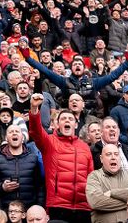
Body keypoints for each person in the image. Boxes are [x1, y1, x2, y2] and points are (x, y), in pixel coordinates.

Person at [28, 93, 94, 223]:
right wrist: (34, 109)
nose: (67, 121)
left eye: (70, 119)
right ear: (57, 124)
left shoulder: (85, 147)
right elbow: (36, 131)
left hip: (83, 207)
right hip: (58, 206)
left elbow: (91, 177)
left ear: (76, 125)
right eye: (63, 119)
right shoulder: (49, 142)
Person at [0, 121, 44, 209]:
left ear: (22, 137)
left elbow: (40, 186)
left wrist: (39, 207)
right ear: (6, 138)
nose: (14, 133)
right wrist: (2, 187)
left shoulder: (33, 158)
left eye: (17, 131)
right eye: (11, 132)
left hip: (29, 209)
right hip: (6, 209)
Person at [85, 143, 128, 223]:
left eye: (116, 154)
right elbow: (96, 203)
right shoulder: (94, 176)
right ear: (101, 159)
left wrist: (113, 193)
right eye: (108, 154)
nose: (113, 157)